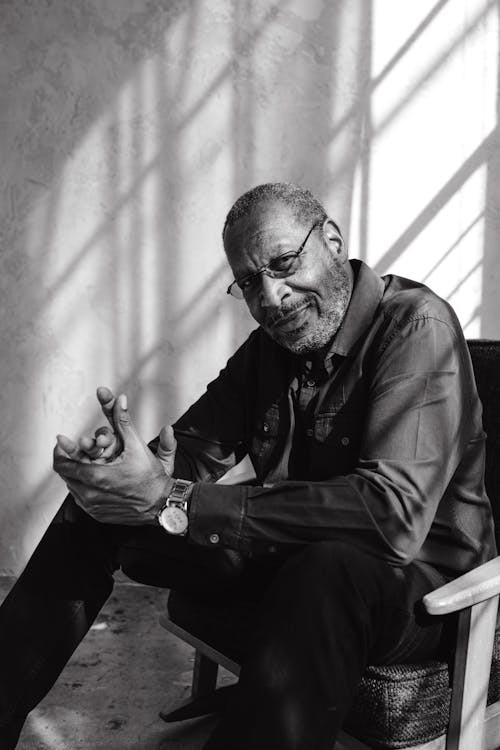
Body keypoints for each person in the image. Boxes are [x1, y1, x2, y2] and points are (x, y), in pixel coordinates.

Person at [0, 182, 495, 750]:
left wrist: (176, 499)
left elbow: (393, 518)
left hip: (424, 595)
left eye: (284, 264)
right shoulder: (271, 347)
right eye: (250, 283)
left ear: (331, 240)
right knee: (99, 510)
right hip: (295, 556)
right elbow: (192, 450)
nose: (273, 297)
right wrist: (127, 472)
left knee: (327, 569)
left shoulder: (415, 327)